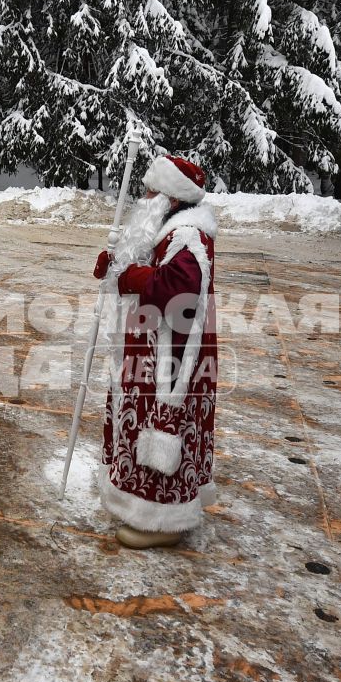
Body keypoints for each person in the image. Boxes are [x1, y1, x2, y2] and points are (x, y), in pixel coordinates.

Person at [91, 155, 219, 549]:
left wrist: (130, 276)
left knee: (162, 426)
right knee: (141, 420)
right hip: (153, 352)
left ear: (172, 199)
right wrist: (114, 265)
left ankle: (161, 519)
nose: (144, 197)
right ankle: (141, 504)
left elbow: (179, 285)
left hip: (172, 358)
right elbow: (143, 263)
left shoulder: (189, 235)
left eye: (151, 191)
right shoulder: (167, 229)